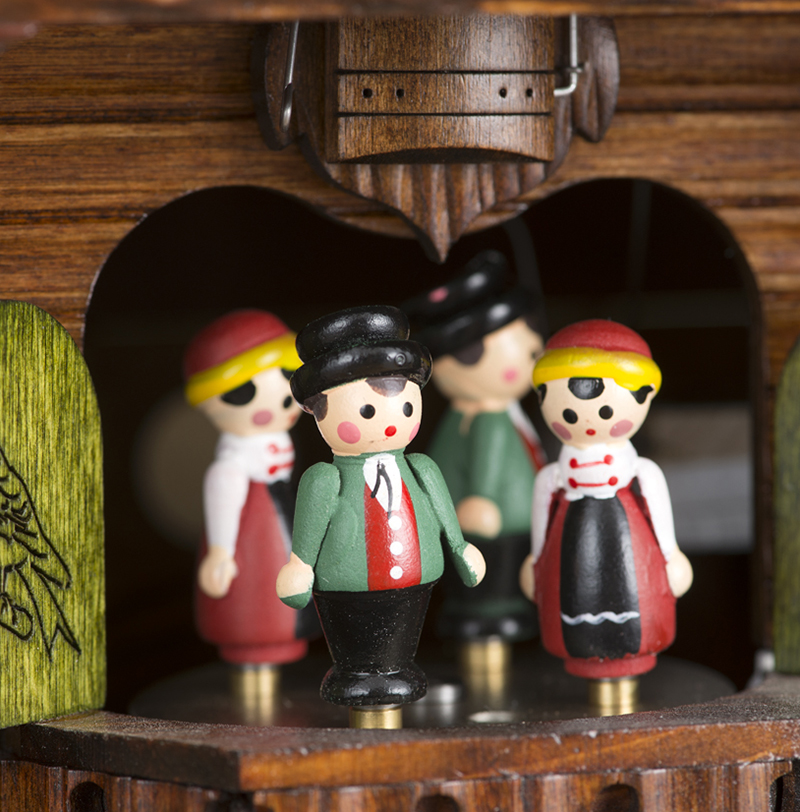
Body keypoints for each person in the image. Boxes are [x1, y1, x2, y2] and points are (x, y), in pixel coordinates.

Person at [277, 305, 486, 707]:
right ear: (318, 410)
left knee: (401, 646)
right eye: (367, 411)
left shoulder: (421, 468)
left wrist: (461, 548)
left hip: (416, 577)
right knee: (356, 652)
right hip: (346, 587)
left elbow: (445, 516)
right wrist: (300, 566)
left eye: (405, 407)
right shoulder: (325, 479)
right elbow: (309, 531)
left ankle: (396, 671)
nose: (390, 421)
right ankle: (358, 674)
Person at [520, 319, 693, 679]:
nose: (585, 421)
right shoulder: (552, 478)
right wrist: (536, 561)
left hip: (632, 545)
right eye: (569, 413)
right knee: (571, 603)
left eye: (605, 411)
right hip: (568, 545)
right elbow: (540, 522)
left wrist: (671, 555)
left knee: (636, 605)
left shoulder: (642, 471)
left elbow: (660, 517)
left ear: (645, 396)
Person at [404, 250, 546, 643]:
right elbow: (487, 462)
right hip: (494, 524)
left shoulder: (480, 412)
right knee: (491, 591)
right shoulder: (488, 419)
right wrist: (481, 498)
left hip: (499, 523)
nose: (531, 352)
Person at [184, 309, 315, 666]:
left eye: (287, 378)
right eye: (244, 393)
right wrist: (221, 553)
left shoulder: (278, 448)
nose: (282, 401)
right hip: (252, 543)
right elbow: (223, 502)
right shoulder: (232, 466)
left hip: (280, 520)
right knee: (257, 607)